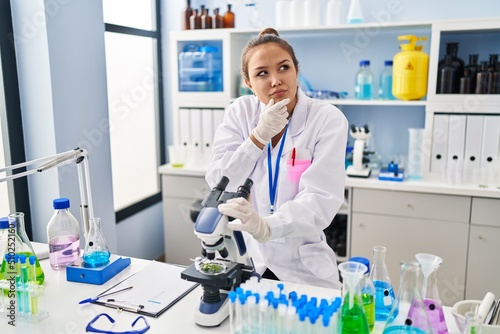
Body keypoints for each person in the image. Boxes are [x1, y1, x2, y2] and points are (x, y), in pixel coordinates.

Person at [205, 28, 348, 289]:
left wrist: (268, 226)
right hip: (254, 263)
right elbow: (218, 180)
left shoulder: (327, 119)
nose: (275, 80)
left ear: (296, 70)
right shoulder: (241, 112)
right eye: (262, 73)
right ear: (248, 82)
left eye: (284, 68)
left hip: (306, 270)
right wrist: (258, 137)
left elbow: (321, 198)